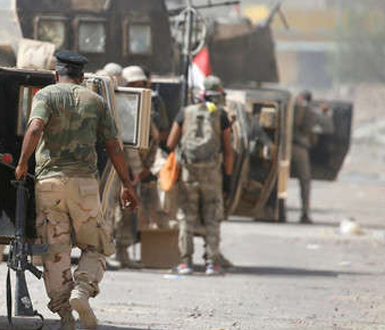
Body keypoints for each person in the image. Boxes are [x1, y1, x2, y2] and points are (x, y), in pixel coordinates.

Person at [15, 50, 139, 330]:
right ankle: (81, 291)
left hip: (49, 185)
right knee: (96, 245)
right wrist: (127, 185)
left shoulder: (45, 95)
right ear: (82, 77)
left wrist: (22, 164)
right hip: (84, 185)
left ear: (56, 74)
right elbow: (114, 146)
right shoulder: (95, 101)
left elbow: (35, 129)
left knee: (55, 252)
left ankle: (66, 317)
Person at [166, 75, 234, 276]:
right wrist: (228, 177)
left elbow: (170, 143)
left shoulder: (185, 112)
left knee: (187, 217)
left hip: (189, 174)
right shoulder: (221, 115)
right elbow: (228, 149)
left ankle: (185, 263)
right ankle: (212, 263)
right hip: (212, 175)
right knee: (212, 217)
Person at [109, 66, 169, 269]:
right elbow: (129, 145)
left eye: (141, 84)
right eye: (133, 84)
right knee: (116, 210)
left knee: (129, 210)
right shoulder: (124, 106)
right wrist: (136, 171)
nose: (138, 87)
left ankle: (123, 252)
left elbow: (152, 139)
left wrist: (146, 168)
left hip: (135, 169)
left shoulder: (144, 105)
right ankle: (110, 252)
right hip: (120, 168)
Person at [291, 90, 334, 224]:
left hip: (284, 147)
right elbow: (328, 127)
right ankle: (305, 213)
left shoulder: (290, 107)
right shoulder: (311, 111)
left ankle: (271, 208)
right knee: (305, 181)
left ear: (300, 97)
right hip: (300, 149)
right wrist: (324, 112)